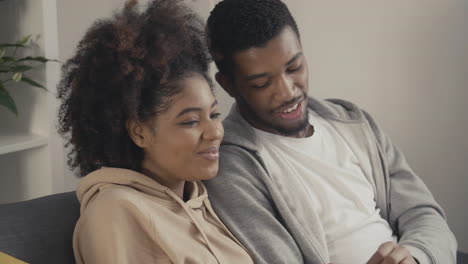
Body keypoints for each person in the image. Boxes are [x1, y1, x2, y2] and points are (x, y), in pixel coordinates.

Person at [203, 0, 457, 263]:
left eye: (294, 68)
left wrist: (416, 256)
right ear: (229, 85)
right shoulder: (232, 168)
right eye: (262, 83)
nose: (288, 92)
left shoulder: (352, 122)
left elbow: (424, 214)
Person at [56, 0, 253, 263]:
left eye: (214, 115)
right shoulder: (114, 211)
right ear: (140, 132)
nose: (215, 132)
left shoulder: (199, 199)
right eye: (191, 121)